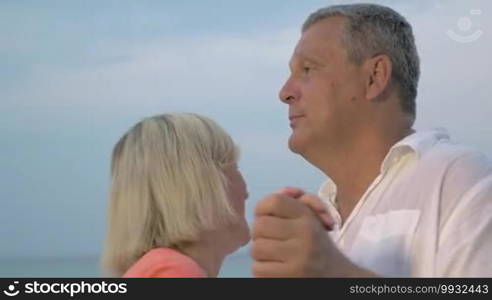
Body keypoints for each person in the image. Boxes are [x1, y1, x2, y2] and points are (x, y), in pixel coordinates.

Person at [251, 3, 492, 277]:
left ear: (374, 77)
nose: (285, 92)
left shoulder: (456, 177)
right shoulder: (320, 219)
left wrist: (334, 272)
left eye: (307, 69)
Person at [102, 113, 249, 277]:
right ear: (201, 186)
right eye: (235, 168)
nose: (246, 192)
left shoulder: (158, 269)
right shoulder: (174, 271)